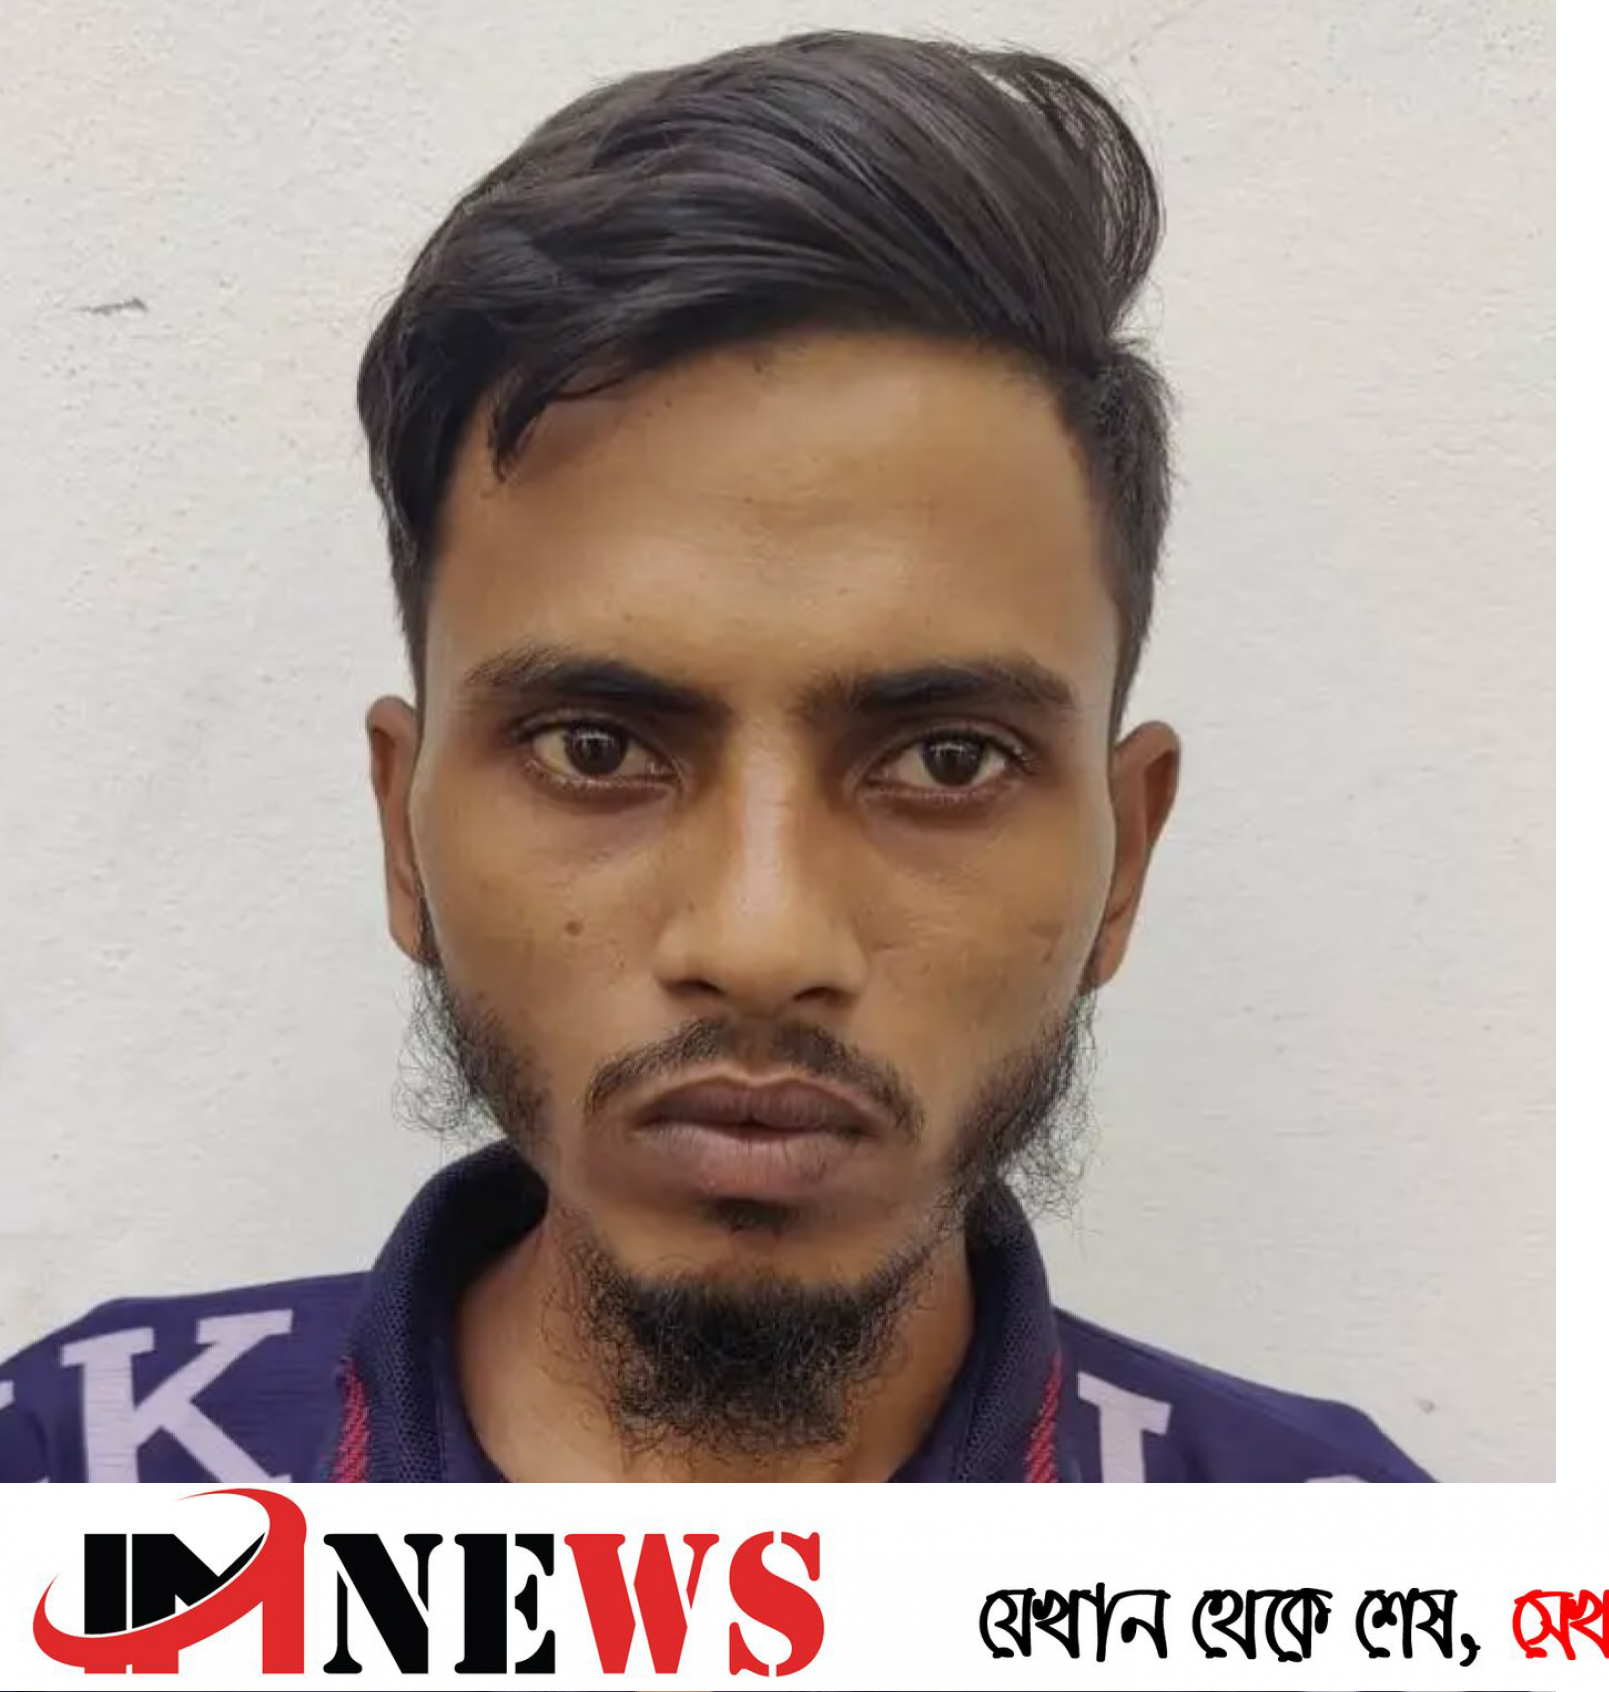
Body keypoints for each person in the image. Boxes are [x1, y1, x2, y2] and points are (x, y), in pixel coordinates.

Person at [0, 30, 1425, 1484]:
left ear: (1125, 862)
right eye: (595, 746)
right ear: (402, 834)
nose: (761, 943)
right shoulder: (68, 1473)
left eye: (947, 761)